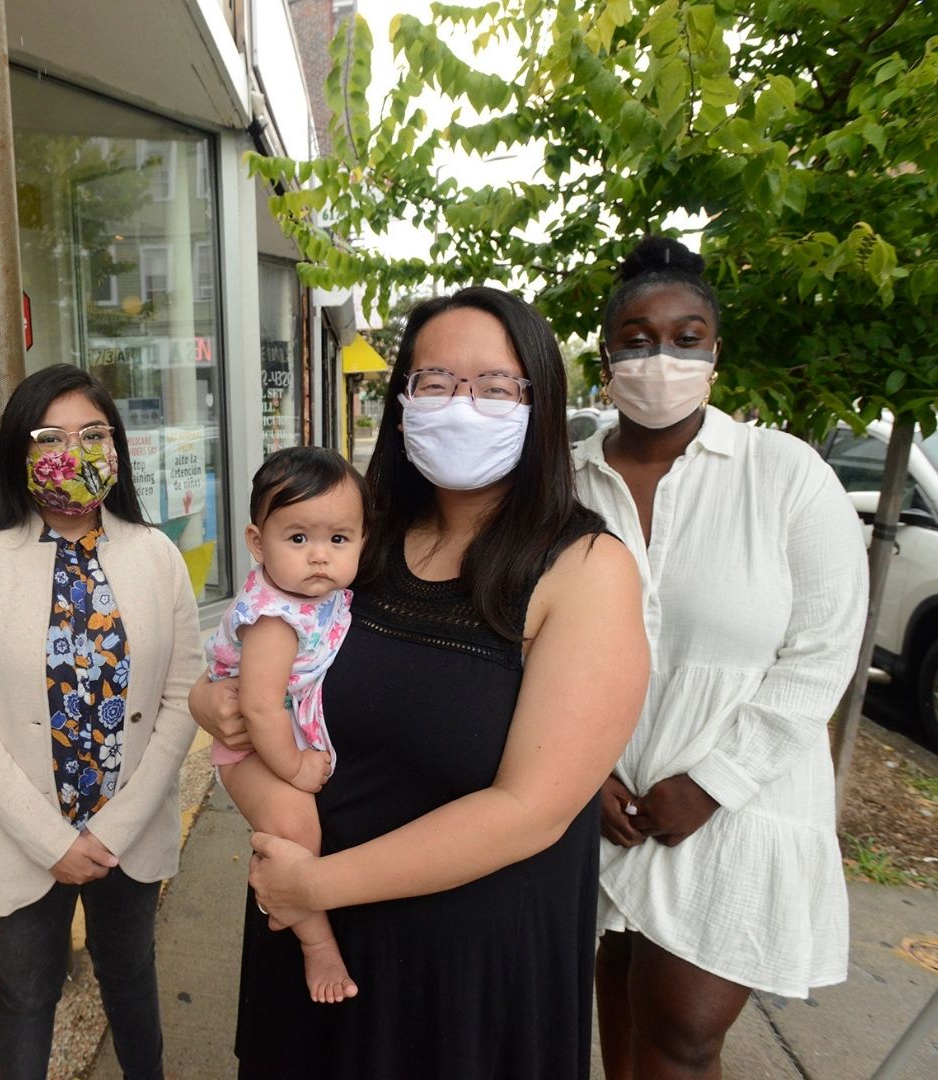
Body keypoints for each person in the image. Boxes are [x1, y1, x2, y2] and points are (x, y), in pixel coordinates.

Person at [193, 287, 649, 1079]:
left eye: (494, 386)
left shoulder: (584, 570)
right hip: (310, 936)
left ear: (538, 404)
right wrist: (217, 702)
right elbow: (260, 659)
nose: (461, 406)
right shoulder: (353, 542)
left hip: (458, 974)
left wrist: (315, 886)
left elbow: (530, 810)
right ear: (402, 401)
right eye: (435, 382)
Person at [573, 236, 868, 1080]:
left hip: (739, 799)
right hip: (607, 798)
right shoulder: (571, 483)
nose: (658, 356)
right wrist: (583, 775)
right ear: (606, 356)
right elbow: (538, 642)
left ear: (715, 352)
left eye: (685, 336)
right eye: (635, 337)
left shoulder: (785, 474)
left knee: (684, 1032)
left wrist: (709, 786)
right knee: (622, 1001)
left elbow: (822, 652)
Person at [0, 364, 202, 1080]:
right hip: (24, 835)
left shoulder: (157, 555)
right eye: (50, 436)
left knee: (131, 977)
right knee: (25, 992)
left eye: (93, 434)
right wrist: (53, 840)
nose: (73, 452)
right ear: (18, 451)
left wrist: (111, 829)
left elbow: (183, 696)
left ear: (117, 447)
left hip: (127, 830)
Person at [191, 446, 367, 1004]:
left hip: (281, 734)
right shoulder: (274, 619)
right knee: (295, 828)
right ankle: (317, 943)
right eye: (298, 539)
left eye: (338, 540)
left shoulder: (325, 595)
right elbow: (261, 708)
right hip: (253, 749)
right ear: (256, 541)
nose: (319, 557)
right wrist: (293, 768)